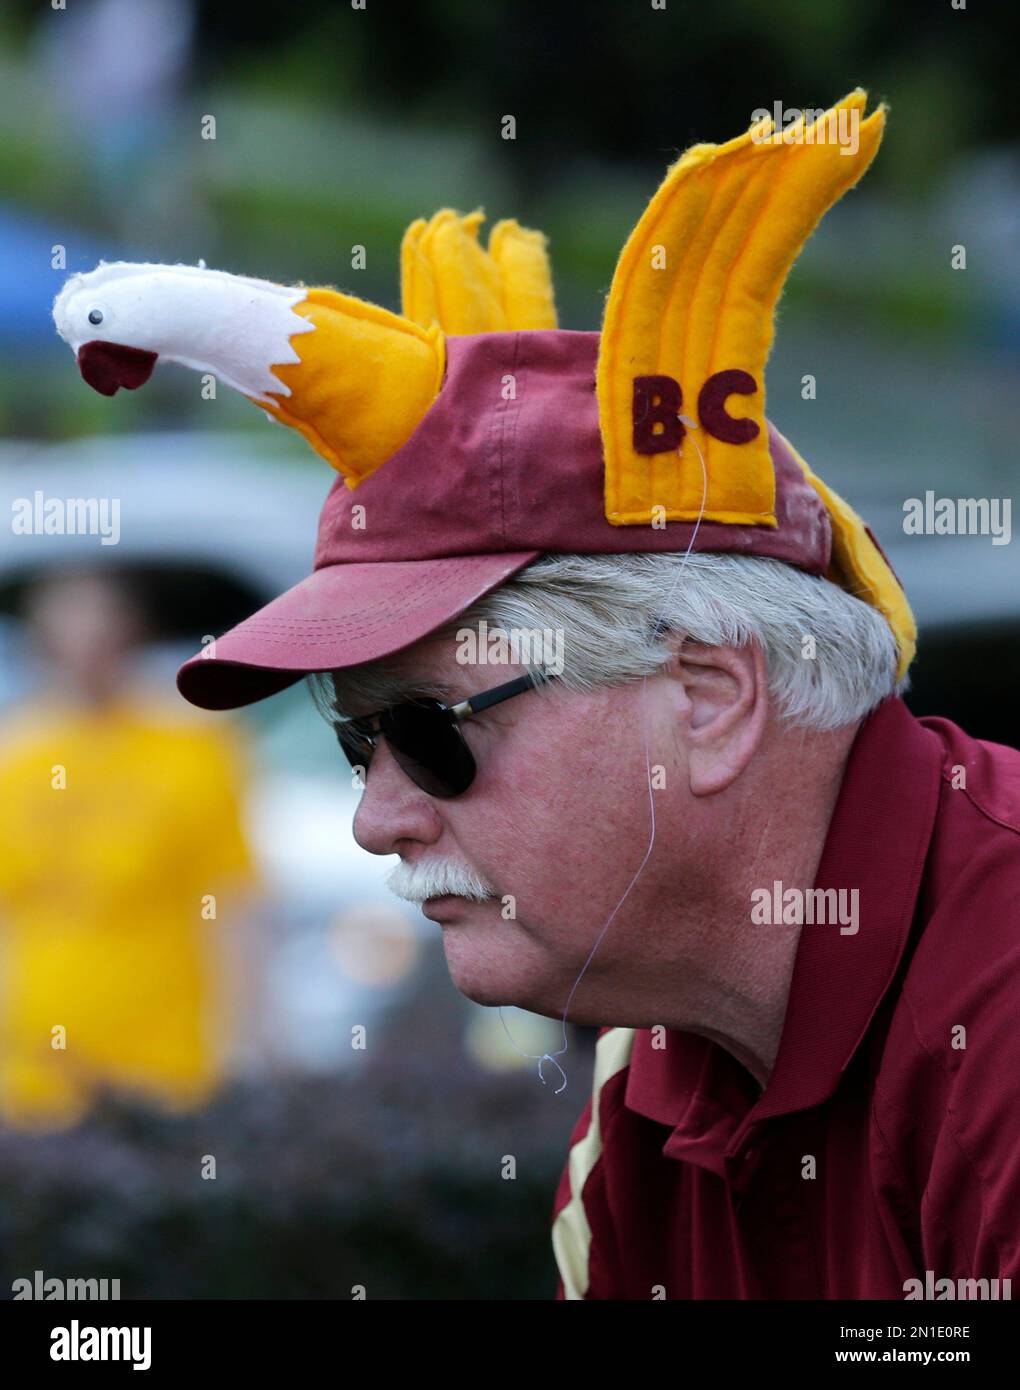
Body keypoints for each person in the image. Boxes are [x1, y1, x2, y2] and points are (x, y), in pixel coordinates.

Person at [54, 92, 1020, 1297]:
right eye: (358, 742)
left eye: (429, 732)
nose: (377, 818)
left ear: (711, 696)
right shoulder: (647, 1076)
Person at [0, 568, 259, 1130]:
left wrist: (251, 1035)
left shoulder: (194, 750)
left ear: (131, 636)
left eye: (100, 632)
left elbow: (231, 901)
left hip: (165, 1057)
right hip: (37, 1064)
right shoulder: (14, 758)